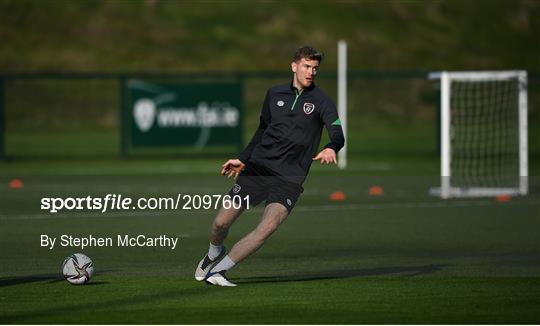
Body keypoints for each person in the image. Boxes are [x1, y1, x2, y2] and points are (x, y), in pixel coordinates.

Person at [195, 45, 345, 287]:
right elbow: (262, 130)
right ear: (294, 66)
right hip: (258, 168)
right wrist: (243, 158)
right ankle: (214, 253)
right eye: (307, 66)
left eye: (315, 68)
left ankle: (219, 273)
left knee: (267, 227)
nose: (311, 72)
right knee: (221, 223)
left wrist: (331, 147)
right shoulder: (274, 94)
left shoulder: (322, 102)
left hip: (289, 178)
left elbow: (338, 134)